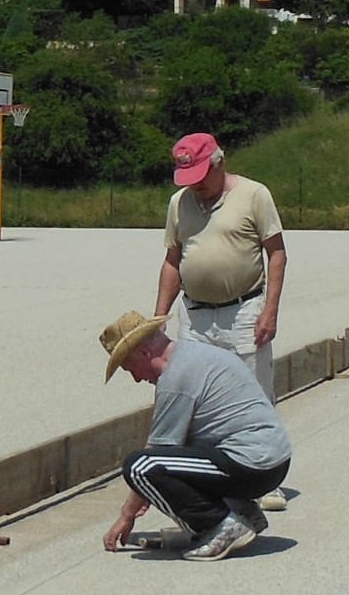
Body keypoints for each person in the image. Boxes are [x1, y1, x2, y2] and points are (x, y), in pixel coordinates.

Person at [154, 132, 290, 511]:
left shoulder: (253, 195)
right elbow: (172, 261)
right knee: (195, 398)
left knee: (255, 392)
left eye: (200, 176)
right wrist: (159, 317)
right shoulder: (179, 203)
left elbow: (276, 254)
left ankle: (265, 477)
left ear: (219, 163)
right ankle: (206, 477)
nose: (195, 186)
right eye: (188, 179)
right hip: (195, 314)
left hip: (244, 309)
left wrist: (270, 310)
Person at [99, 310, 293, 562]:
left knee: (139, 467)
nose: (136, 378)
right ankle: (242, 511)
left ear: (144, 353)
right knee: (179, 453)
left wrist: (127, 515)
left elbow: (155, 451)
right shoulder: (197, 354)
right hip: (274, 461)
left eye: (129, 368)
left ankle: (223, 526)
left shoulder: (176, 378)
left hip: (252, 463)